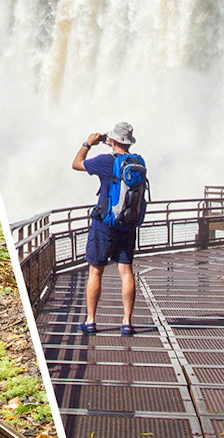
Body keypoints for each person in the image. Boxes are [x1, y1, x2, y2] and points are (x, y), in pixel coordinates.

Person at [72, 121, 142, 336]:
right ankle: (127, 322)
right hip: (128, 224)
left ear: (112, 141)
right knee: (126, 270)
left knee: (95, 270)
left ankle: (91, 320)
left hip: (104, 224)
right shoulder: (138, 162)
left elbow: (76, 163)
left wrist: (89, 142)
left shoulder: (105, 161)